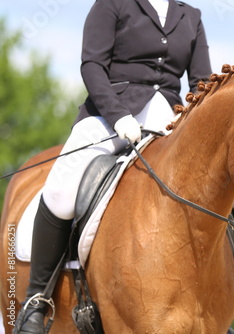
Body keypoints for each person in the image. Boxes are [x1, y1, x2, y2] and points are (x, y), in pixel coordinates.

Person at [14, 0, 212, 332]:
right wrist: (117, 114)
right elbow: (92, 65)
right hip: (110, 113)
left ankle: (214, 303)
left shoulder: (190, 15)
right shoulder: (112, 4)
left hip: (170, 119)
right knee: (62, 188)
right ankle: (37, 299)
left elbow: (202, 83)